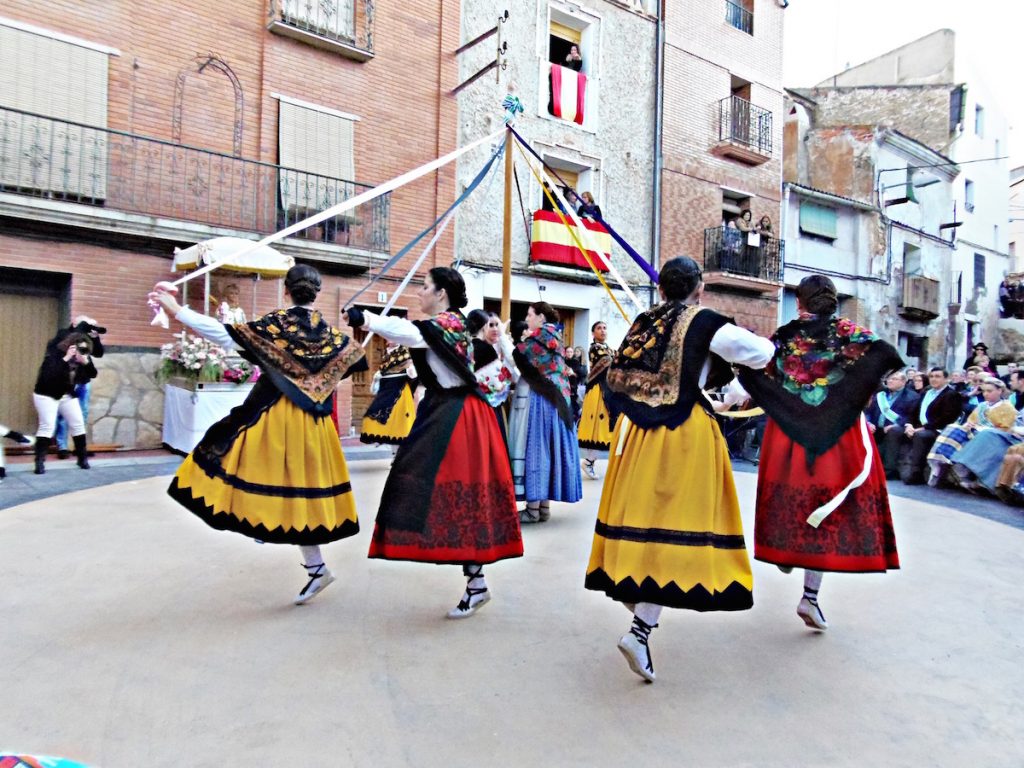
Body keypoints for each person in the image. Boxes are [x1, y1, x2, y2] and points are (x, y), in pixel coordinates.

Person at [585, 256, 775, 683]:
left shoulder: (644, 323)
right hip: (684, 433)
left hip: (637, 437)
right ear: (699, 289)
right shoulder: (704, 322)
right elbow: (760, 353)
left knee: (642, 522)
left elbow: (617, 378)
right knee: (672, 530)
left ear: (663, 289)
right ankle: (640, 630)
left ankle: (634, 600)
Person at [150, 265, 367, 604]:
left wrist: (178, 311)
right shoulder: (328, 334)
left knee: (239, 457)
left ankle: (286, 544)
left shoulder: (277, 326)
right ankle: (313, 566)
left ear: (286, 291)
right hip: (315, 425)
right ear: (317, 293)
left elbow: (225, 335)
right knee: (299, 494)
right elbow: (352, 356)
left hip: (274, 415)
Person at [343, 267, 522, 618]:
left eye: (424, 287)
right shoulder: (454, 325)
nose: (419, 293)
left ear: (442, 294)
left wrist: (366, 318)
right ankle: (476, 584)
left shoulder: (444, 325)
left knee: (433, 486)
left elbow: (408, 333)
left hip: (457, 417)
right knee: (441, 489)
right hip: (454, 412)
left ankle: (476, 584)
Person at [739, 275, 902, 634]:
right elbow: (883, 357)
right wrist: (848, 398)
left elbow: (754, 371)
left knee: (793, 503)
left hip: (788, 434)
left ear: (800, 302)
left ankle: (788, 554)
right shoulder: (849, 334)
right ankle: (810, 597)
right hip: (837, 435)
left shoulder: (783, 337)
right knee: (826, 512)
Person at [513, 302, 583, 523]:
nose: (528, 318)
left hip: (543, 397)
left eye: (530, 314)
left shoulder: (540, 337)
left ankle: (532, 509)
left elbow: (519, 355)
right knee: (551, 447)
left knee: (538, 446)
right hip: (559, 398)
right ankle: (543, 508)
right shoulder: (556, 335)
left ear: (541, 317)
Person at [927, 377, 1017, 486]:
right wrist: (969, 425)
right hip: (976, 432)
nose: (986, 394)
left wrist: (983, 428)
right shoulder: (982, 405)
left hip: (993, 437)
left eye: (989, 391)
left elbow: (1006, 429)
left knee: (981, 435)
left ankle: (962, 470)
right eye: (984, 391)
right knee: (953, 427)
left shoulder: (1008, 408)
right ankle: (938, 462)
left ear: (1000, 391)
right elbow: (971, 420)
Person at [32, 333, 97, 475]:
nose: (82, 351)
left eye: (85, 349)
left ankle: (82, 458)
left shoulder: (83, 358)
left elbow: (93, 374)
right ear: (70, 346)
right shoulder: (55, 354)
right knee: (47, 426)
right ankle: (39, 462)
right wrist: (66, 358)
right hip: (46, 395)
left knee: (78, 423)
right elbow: (48, 375)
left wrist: (85, 361)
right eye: (79, 348)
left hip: (66, 394)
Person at [898, 368, 964, 484]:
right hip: (919, 427)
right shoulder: (926, 392)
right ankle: (894, 469)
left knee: (921, 435)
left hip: (939, 429)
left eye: (937, 376)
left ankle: (916, 473)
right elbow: (913, 411)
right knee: (896, 431)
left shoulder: (951, 395)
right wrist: (909, 425)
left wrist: (923, 428)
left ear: (946, 379)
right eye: (931, 376)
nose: (933, 379)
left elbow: (947, 418)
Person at [52, 316, 106, 459]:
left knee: (82, 414)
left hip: (83, 380)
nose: (89, 327)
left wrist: (95, 337)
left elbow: (99, 353)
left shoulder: (87, 337)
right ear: (76, 323)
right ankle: (62, 447)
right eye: (87, 324)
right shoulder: (63, 333)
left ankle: (79, 447)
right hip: (67, 381)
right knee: (63, 414)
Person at [466, 309, 517, 444]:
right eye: (491, 325)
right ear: (483, 326)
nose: (495, 329)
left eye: (497, 325)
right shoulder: (485, 348)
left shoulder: (466, 346)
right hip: (488, 405)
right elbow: (500, 383)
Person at [360, 342, 417, 453]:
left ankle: (397, 455)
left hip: (400, 390)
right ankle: (379, 436)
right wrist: (378, 376)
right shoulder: (386, 354)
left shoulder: (405, 352)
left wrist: (411, 369)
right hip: (386, 389)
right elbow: (383, 370)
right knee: (371, 416)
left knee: (399, 424)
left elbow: (413, 374)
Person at [578, 320, 616, 480]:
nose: (603, 330)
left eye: (605, 328)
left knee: (608, 425)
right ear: (593, 333)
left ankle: (591, 462)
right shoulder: (595, 348)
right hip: (598, 390)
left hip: (607, 388)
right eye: (599, 328)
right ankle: (589, 461)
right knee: (600, 426)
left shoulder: (608, 348)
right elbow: (608, 362)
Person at [864, 371, 920, 479]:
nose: (889, 381)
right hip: (876, 428)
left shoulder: (912, 397)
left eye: (894, 379)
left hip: (896, 429)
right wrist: (868, 422)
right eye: (889, 378)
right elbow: (868, 412)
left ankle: (888, 470)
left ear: (903, 381)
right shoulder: (881, 394)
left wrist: (897, 424)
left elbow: (912, 416)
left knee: (894, 432)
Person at [508, 320, 531, 502]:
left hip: (526, 394)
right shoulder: (518, 350)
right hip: (519, 393)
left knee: (521, 437)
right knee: (517, 436)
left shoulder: (528, 350)